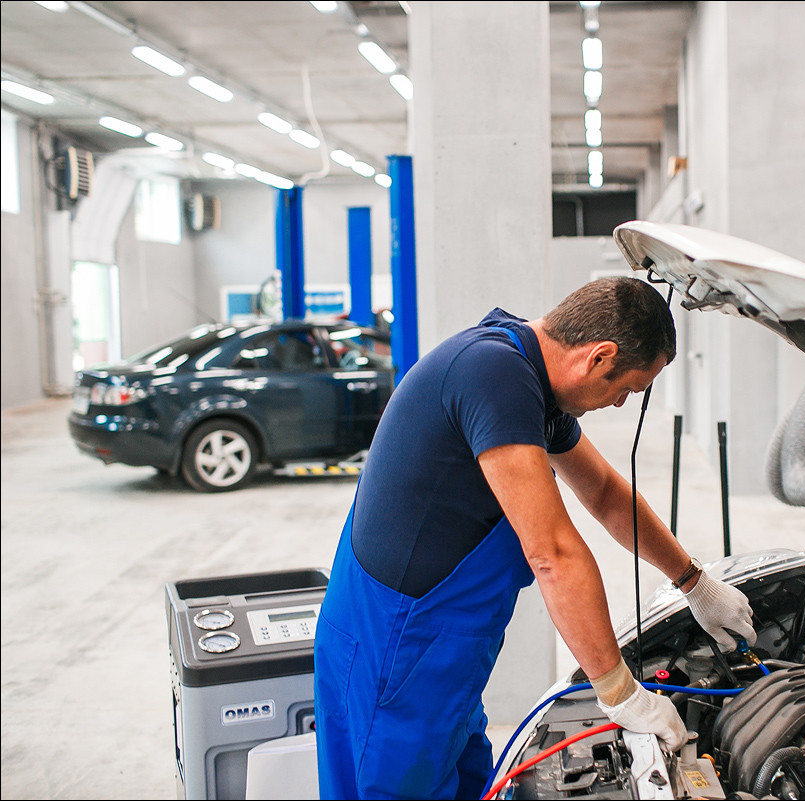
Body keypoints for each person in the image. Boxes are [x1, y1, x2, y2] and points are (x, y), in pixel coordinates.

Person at [314, 277, 756, 800]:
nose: (619, 404)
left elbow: (608, 495)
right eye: (629, 389)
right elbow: (553, 554)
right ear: (599, 356)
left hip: (440, 657)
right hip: (394, 650)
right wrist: (619, 693)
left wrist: (695, 583)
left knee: (469, 782)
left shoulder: (526, 378)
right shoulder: (493, 375)